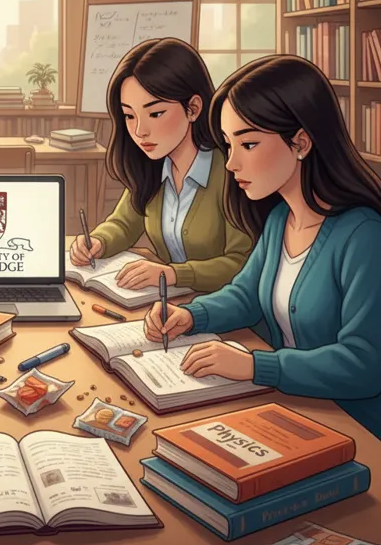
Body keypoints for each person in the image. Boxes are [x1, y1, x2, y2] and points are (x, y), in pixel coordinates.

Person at [145, 55, 381, 440]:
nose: (232, 162)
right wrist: (191, 316)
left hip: (354, 428)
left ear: (301, 141)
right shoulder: (279, 221)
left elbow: (364, 363)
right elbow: (246, 296)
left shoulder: (364, 236)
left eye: (249, 143)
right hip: (294, 407)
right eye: (227, 144)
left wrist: (256, 366)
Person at [69, 38, 252, 293]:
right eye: (129, 116)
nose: (140, 131)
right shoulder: (152, 167)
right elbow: (123, 223)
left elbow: (241, 263)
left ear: (193, 108)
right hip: (173, 306)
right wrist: (98, 241)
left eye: (155, 114)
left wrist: (174, 274)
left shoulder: (232, 172)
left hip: (227, 314)